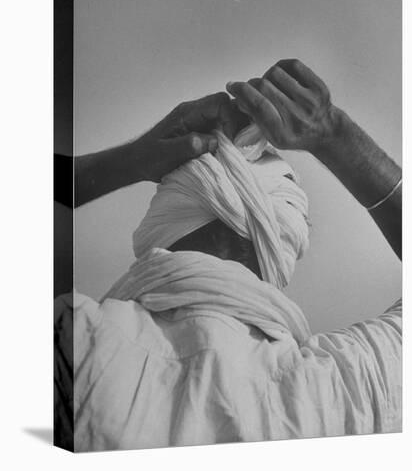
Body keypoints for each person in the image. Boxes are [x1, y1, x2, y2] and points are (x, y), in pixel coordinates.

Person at [54, 59, 401, 451]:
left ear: (162, 210)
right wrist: (333, 133)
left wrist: (131, 160)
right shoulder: (344, 386)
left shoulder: (72, 337)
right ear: (289, 235)